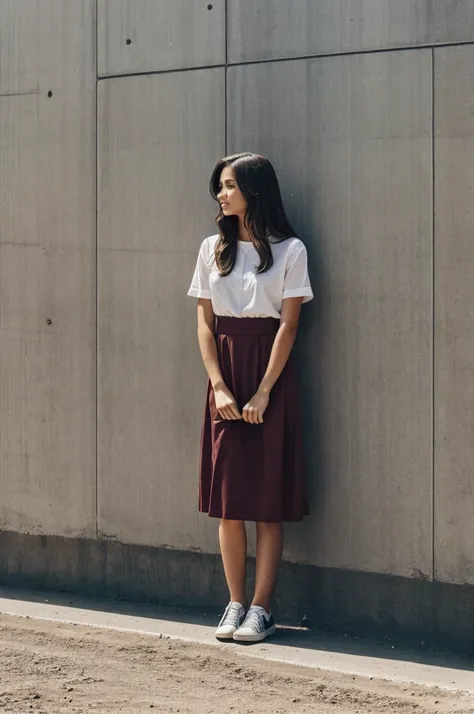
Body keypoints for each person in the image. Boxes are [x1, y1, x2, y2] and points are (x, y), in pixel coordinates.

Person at [187, 152, 313, 643]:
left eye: (230, 186)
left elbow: (290, 324)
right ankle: (234, 602)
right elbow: (204, 322)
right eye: (219, 186)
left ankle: (261, 609)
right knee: (229, 500)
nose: (221, 195)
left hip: (270, 376)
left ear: (255, 190)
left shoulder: (291, 250)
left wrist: (264, 390)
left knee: (267, 499)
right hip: (225, 376)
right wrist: (218, 384)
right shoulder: (211, 248)